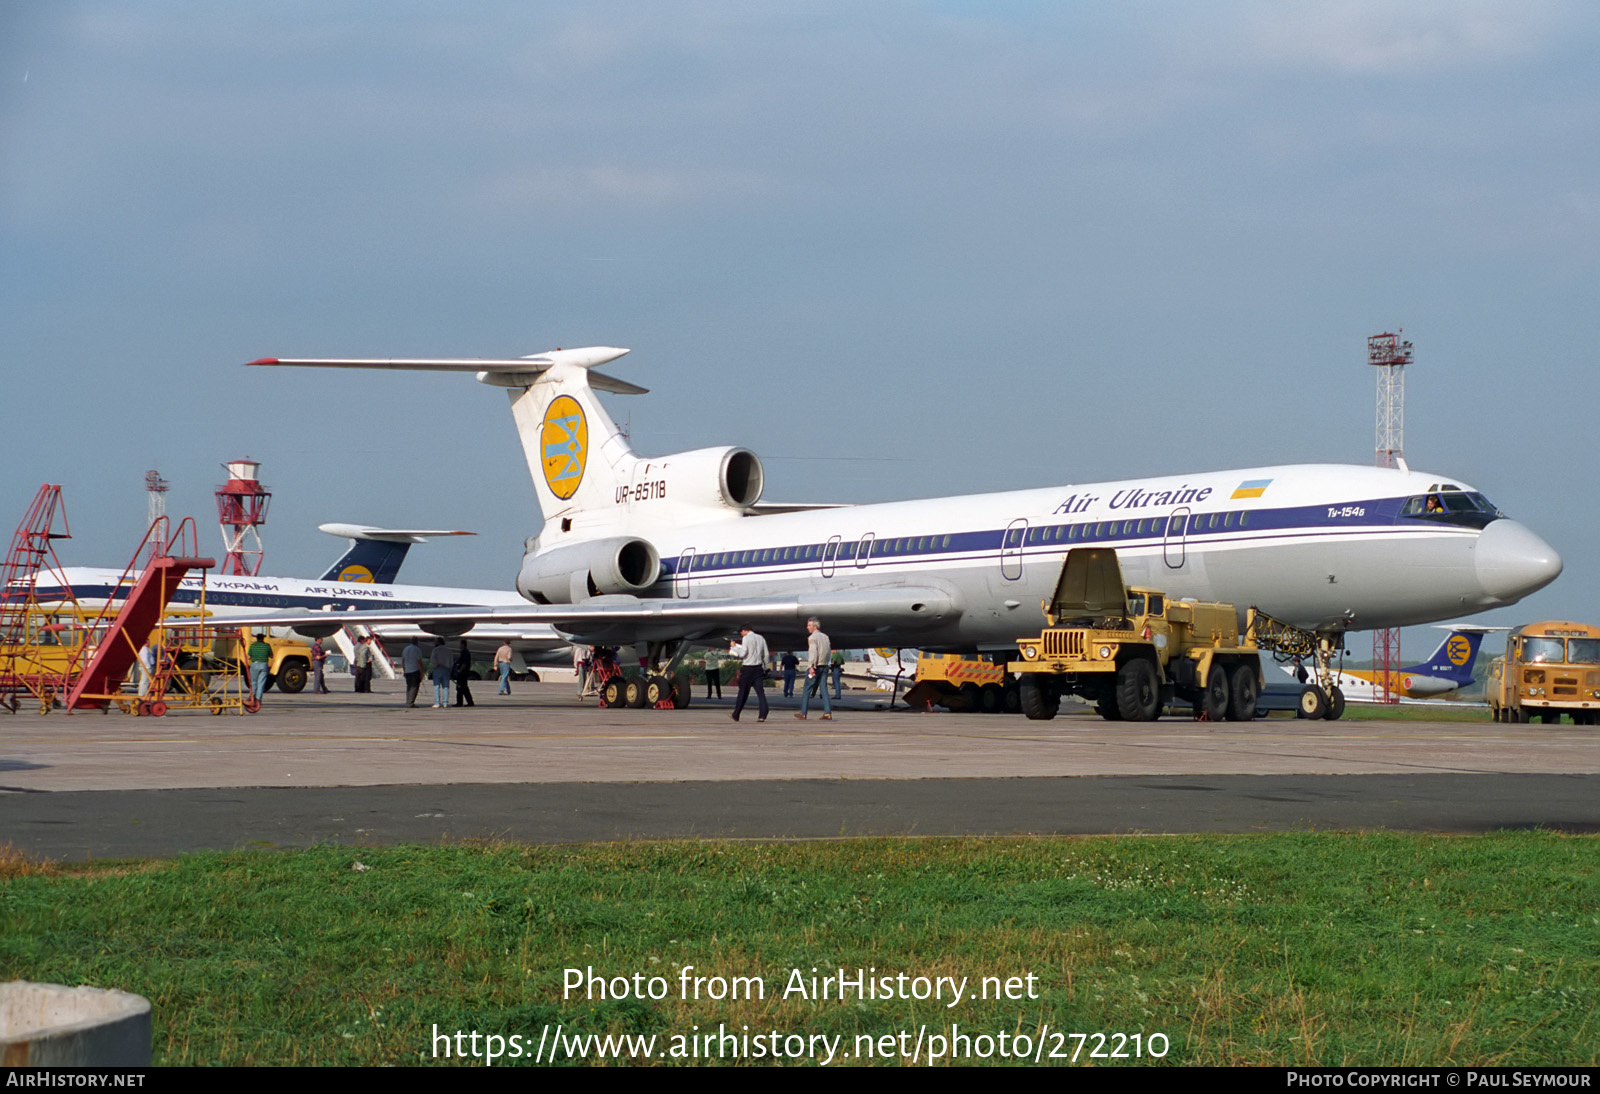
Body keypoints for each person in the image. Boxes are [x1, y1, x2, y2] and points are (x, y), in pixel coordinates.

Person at [728, 624, 769, 722]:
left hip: (748, 668)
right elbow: (766, 653)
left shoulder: (746, 638)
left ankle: (736, 714)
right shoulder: (761, 638)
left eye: (741, 633)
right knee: (760, 693)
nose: (741, 635)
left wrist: (734, 647)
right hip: (758, 668)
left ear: (744, 630)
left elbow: (743, 653)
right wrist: (766, 667)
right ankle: (763, 714)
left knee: (743, 692)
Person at [795, 617, 833, 720]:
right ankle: (827, 712)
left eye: (809, 625)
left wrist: (811, 666)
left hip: (816, 666)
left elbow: (813, 652)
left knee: (807, 689)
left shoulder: (812, 638)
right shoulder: (825, 637)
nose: (807, 627)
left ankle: (803, 712)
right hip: (825, 665)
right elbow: (828, 651)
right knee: (824, 689)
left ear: (815, 626)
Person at [247, 633, 272, 702]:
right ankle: (258, 700)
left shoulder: (252, 646)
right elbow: (271, 656)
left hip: (254, 664)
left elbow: (248, 657)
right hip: (264, 665)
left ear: (256, 638)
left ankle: (252, 698)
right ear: (263, 639)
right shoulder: (267, 646)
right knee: (261, 683)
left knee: (254, 682)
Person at [429, 639, 455, 708]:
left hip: (438, 669)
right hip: (446, 669)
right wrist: (450, 669)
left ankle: (437, 703)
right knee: (446, 687)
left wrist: (437, 664)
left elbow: (432, 659)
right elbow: (451, 661)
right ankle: (445, 703)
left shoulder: (435, 650)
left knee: (436, 686)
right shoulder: (449, 650)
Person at [453, 639, 476, 707]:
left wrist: (460, 670)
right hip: (463, 672)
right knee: (461, 688)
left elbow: (465, 663)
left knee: (463, 687)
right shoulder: (464, 652)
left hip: (463, 673)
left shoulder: (465, 652)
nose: (459, 646)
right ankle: (461, 702)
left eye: (460, 644)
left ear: (463, 644)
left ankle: (467, 702)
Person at [401, 639, 423, 708]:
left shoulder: (405, 649)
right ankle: (410, 702)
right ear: (417, 642)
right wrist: (421, 672)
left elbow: (403, 661)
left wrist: (404, 670)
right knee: (414, 687)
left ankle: (408, 701)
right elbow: (419, 661)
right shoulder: (417, 649)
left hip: (407, 670)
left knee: (409, 687)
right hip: (415, 670)